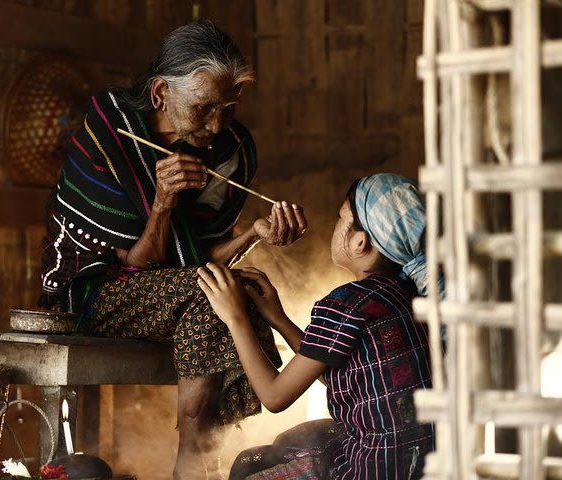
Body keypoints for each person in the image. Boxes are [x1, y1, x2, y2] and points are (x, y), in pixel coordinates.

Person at [38, 22, 307, 479]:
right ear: (161, 93)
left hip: (177, 293)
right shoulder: (112, 129)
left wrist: (256, 233)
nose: (217, 124)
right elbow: (137, 266)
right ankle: (196, 457)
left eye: (226, 108)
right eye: (203, 108)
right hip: (91, 293)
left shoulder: (230, 151)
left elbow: (197, 262)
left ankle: (195, 452)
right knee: (216, 293)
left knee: (226, 291)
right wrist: (162, 204)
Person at [198, 173, 436, 479]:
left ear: (360, 241)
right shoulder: (406, 296)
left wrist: (235, 317)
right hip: (418, 463)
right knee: (288, 442)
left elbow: (274, 397)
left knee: (248, 466)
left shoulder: (346, 302)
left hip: (369, 469)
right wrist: (279, 319)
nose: (335, 225)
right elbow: (342, 376)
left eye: (341, 218)